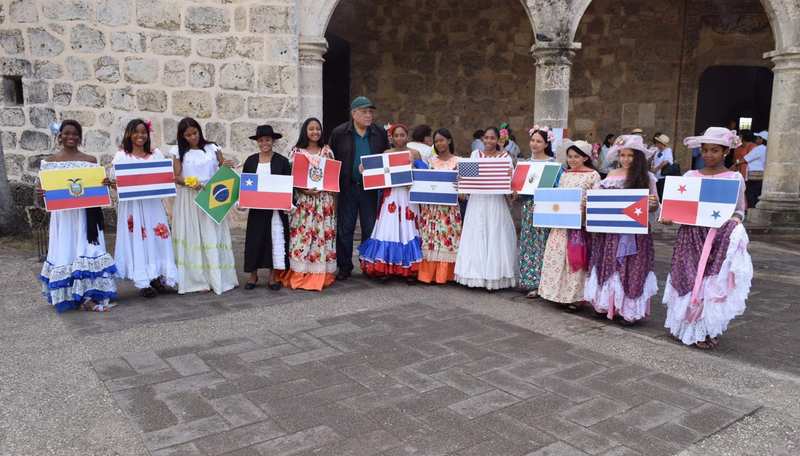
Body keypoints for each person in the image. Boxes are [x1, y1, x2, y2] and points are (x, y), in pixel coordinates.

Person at [662, 127, 751, 349]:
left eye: (715, 150)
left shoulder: (734, 178)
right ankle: (683, 325)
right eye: (705, 150)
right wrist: (668, 216)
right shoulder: (690, 177)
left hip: (717, 238)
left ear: (725, 152)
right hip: (690, 236)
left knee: (710, 282)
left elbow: (739, 209)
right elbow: (679, 208)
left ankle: (705, 329)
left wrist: (735, 221)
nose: (709, 155)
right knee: (688, 278)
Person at [38, 120, 117, 312]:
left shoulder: (89, 161)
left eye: (74, 134)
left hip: (85, 215)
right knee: (66, 249)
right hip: (63, 216)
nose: (70, 137)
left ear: (80, 137)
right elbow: (43, 193)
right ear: (60, 136)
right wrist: (40, 193)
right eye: (66, 133)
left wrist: (104, 184)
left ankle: (88, 295)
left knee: (87, 249)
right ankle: (71, 294)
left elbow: (95, 187)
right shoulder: (50, 163)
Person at [584, 135, 659, 324]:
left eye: (630, 155)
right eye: (622, 155)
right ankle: (606, 305)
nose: (625, 159)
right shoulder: (609, 176)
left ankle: (628, 309)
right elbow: (599, 201)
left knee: (630, 267)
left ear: (639, 157)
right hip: (610, 233)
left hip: (634, 234)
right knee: (609, 266)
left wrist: (652, 204)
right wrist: (589, 202)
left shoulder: (647, 178)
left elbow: (655, 204)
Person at [170, 117, 238, 295]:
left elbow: (222, 166)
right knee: (193, 235)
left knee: (211, 233)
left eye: (195, 133)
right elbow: (176, 176)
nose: (192, 137)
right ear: (182, 136)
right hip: (189, 196)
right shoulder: (178, 152)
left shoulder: (212, 148)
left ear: (199, 131)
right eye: (188, 135)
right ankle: (197, 280)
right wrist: (190, 182)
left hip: (211, 194)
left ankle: (218, 277)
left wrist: (227, 164)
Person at [111, 119, 177, 298]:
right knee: (138, 239)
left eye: (143, 132)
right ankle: (143, 281)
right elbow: (117, 183)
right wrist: (112, 184)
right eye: (136, 132)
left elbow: (164, 177)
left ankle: (157, 276)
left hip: (152, 204)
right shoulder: (122, 156)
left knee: (156, 238)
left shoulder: (155, 154)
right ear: (129, 134)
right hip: (133, 206)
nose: (140, 135)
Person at [329, 96, 390, 280]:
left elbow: (386, 158)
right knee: (345, 229)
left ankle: (368, 265)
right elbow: (332, 160)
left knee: (370, 228)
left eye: (371, 111)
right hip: (348, 188)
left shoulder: (379, 132)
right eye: (364, 111)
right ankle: (345, 266)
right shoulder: (339, 133)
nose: (369, 115)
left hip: (371, 189)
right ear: (354, 114)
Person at [538, 140, 601, 310]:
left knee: (575, 259)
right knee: (557, 256)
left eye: (576, 156)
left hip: (578, 225)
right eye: (570, 156)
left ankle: (575, 297)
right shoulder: (566, 174)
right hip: (561, 223)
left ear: (585, 157)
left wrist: (583, 208)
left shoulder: (593, 175)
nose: (572, 160)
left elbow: (595, 198)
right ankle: (556, 293)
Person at [454, 127, 517, 290]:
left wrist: (512, 189)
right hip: (477, 201)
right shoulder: (475, 155)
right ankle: (475, 274)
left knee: (495, 234)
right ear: (482, 139)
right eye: (486, 138)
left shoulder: (505, 157)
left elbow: (510, 178)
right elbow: (467, 177)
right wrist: (462, 189)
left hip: (495, 201)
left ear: (498, 140)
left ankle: (494, 276)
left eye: (492, 138)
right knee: (476, 234)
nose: (489, 141)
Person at [279, 118, 338, 291]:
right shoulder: (296, 152)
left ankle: (319, 273)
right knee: (302, 235)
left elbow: (332, 177)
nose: (315, 132)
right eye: (311, 129)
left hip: (323, 201)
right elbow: (291, 176)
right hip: (304, 202)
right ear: (305, 131)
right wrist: (303, 190)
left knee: (321, 236)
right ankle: (300, 273)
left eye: (318, 129)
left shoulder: (327, 151)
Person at [358, 124, 423, 280]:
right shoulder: (387, 153)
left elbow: (422, 174)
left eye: (402, 135)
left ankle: (410, 269)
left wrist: (414, 167)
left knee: (408, 230)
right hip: (392, 196)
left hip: (408, 196)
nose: (399, 138)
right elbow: (380, 174)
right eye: (396, 135)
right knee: (389, 229)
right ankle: (386, 266)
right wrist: (365, 171)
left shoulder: (415, 153)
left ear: (407, 136)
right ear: (391, 138)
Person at [241, 125, 290, 291]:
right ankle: (253, 275)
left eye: (268, 140)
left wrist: (287, 203)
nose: (264, 143)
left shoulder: (282, 162)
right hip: (256, 209)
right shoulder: (250, 161)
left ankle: (272, 276)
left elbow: (286, 185)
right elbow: (246, 184)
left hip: (274, 209)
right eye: (261, 140)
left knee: (273, 240)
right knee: (254, 240)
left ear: (273, 141)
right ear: (257, 142)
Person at [518, 125, 559, 298]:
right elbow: (519, 188)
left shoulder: (552, 164)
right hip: (528, 207)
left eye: (539, 141)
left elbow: (556, 188)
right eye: (533, 140)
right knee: (528, 242)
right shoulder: (525, 163)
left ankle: (544, 282)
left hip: (545, 207)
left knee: (543, 243)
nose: (535, 144)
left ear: (546, 144)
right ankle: (529, 280)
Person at [416, 128, 462, 284]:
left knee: (447, 237)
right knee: (431, 238)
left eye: (442, 140)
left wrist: (461, 190)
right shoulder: (430, 161)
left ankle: (446, 274)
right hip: (431, 208)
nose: (439, 143)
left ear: (449, 141)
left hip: (449, 209)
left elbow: (464, 185)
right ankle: (428, 274)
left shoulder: (459, 161)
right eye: (436, 141)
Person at [737, 130, 767, 209]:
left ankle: (751, 209)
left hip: (754, 174)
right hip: (761, 173)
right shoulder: (766, 148)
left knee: (750, 193)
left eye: (757, 138)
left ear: (761, 139)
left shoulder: (759, 148)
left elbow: (746, 159)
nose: (755, 139)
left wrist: (736, 164)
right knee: (757, 193)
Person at [650, 133, 673, 199]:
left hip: (663, 177)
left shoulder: (668, 150)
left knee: (662, 194)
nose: (656, 144)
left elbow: (665, 162)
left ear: (661, 143)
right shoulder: (657, 151)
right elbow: (654, 160)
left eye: (657, 142)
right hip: (656, 176)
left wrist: (656, 169)